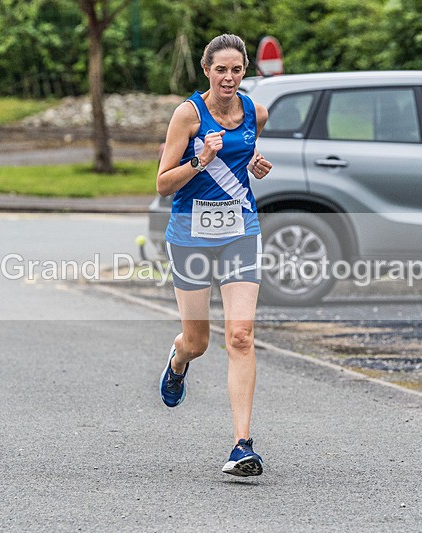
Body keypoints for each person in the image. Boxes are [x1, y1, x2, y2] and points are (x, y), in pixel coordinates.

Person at [156, 33, 273, 477]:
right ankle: (178, 360)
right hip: (190, 236)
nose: (228, 77)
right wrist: (201, 158)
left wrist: (255, 166)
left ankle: (242, 445)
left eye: (236, 69)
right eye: (220, 69)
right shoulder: (187, 114)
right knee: (199, 342)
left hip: (241, 230)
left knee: (241, 335)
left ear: (245, 71)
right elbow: (163, 183)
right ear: (206, 70)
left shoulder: (255, 112)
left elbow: (244, 159)